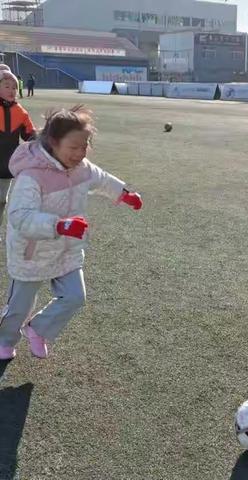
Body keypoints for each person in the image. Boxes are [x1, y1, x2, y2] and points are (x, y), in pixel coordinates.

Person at [0, 105, 143, 360]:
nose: (80, 154)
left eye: (84, 146)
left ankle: (38, 329)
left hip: (66, 249)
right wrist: (58, 225)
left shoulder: (82, 167)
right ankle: (5, 340)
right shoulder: (31, 175)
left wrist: (124, 194)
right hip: (31, 252)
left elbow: (101, 178)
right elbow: (19, 217)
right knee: (19, 308)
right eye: (73, 147)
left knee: (75, 297)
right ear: (54, 143)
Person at [0, 70, 35, 228]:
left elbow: (30, 135)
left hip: (7, 166)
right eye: (7, 86)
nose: (12, 90)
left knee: (2, 200)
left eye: (14, 87)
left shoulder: (21, 112)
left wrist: (45, 140)